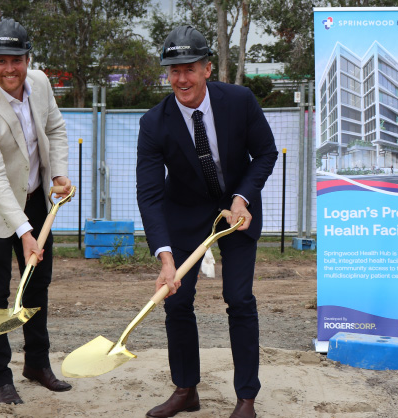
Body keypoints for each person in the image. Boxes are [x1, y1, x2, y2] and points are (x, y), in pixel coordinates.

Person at [136, 26, 278, 418]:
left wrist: (241, 198)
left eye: (190, 68)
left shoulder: (240, 101)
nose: (181, 78)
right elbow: (149, 193)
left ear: (207, 69)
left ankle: (246, 397)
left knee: (239, 299)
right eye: (173, 70)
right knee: (176, 300)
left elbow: (265, 153)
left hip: (238, 213)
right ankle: (186, 390)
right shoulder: (154, 123)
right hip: (184, 214)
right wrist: (165, 258)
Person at [0, 18, 72, 404]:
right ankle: (1, 377)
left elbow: (56, 129)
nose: (9, 68)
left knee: (37, 285)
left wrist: (58, 174)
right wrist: (25, 233)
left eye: (16, 59)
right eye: (0, 60)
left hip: (36, 200)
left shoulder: (40, 84)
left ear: (28, 58)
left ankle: (37, 364)